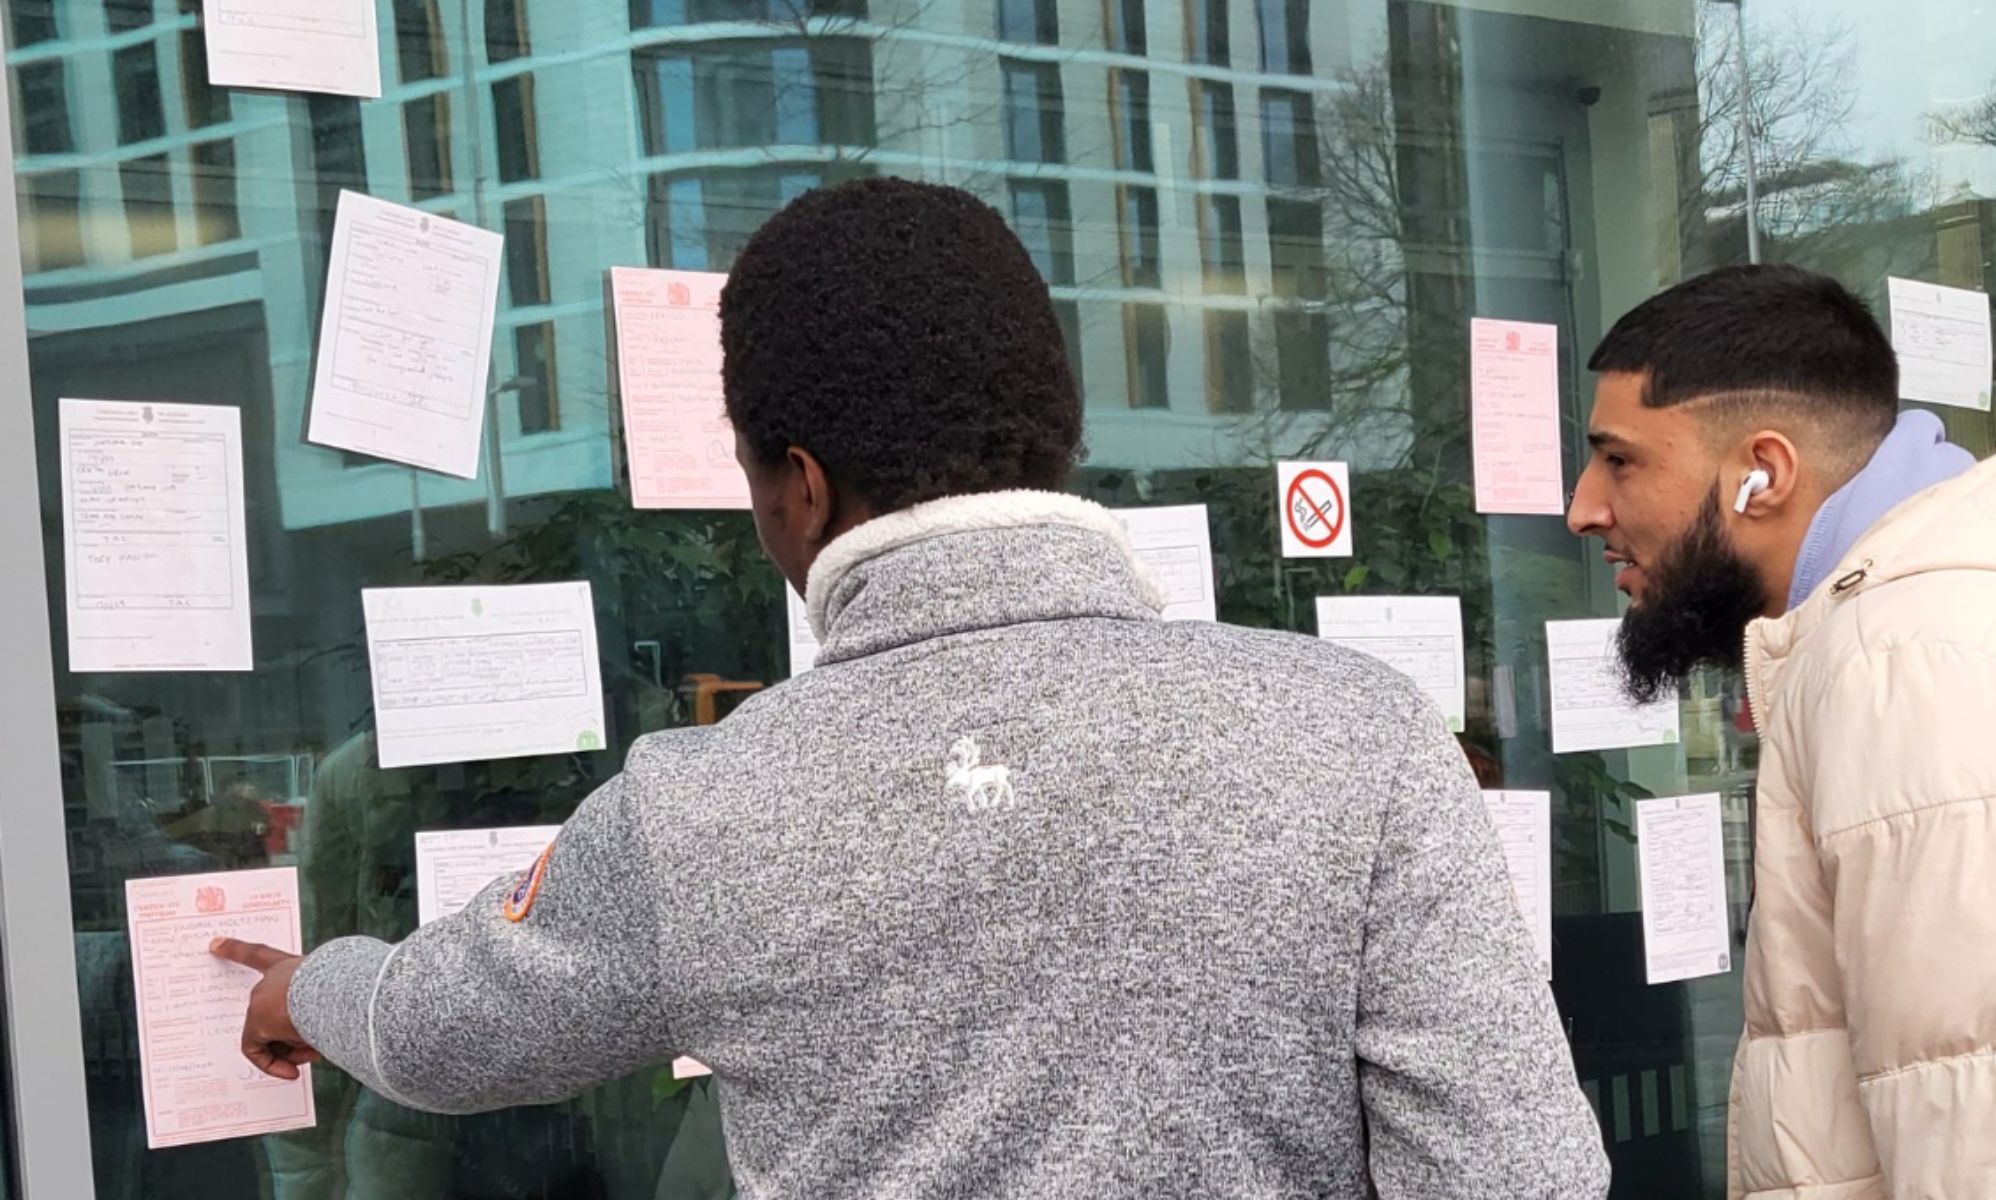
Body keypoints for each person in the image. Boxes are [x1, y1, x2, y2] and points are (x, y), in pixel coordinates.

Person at [213, 177, 1609, 1199]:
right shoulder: (1356, 740)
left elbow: (439, 1034)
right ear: (1056, 431)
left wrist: (306, 988)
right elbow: (1522, 1174)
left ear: (797, 488)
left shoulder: (704, 813)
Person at [1567, 264, 1996, 1200]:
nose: (1583, 508)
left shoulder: (1901, 655)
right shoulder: (1909, 619)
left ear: (1764, 472)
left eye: (1620, 459)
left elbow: (1967, 1097)